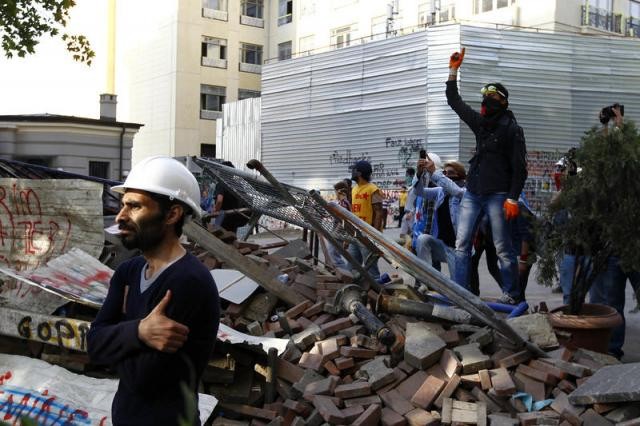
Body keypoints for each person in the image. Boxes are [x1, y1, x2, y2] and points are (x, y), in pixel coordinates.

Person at [87, 156, 220, 425]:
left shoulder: (189, 282)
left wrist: (116, 337)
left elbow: (141, 377)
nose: (120, 216)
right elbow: (93, 346)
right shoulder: (128, 272)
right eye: (123, 205)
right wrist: (139, 331)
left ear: (172, 215)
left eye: (134, 207)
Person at [446, 47, 528, 304]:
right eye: (485, 96)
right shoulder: (482, 124)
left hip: (498, 195)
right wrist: (453, 71)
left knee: (503, 247)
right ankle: (460, 293)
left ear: (503, 102)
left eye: (492, 97)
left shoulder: (512, 130)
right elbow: (455, 102)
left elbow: (520, 168)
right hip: (473, 191)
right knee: (462, 244)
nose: (486, 102)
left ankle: (513, 295)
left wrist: (512, 198)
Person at [413, 159, 465, 280]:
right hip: (443, 245)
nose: (446, 175)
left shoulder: (466, 191)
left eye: (450, 172)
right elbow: (418, 191)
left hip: (458, 249)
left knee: (458, 287)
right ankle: (427, 281)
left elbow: (455, 191)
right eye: (444, 172)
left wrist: (435, 172)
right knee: (423, 239)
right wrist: (419, 174)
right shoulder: (440, 191)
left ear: (460, 174)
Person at [347, 160, 383, 279]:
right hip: (356, 234)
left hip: (368, 235)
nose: (352, 173)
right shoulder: (354, 189)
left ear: (359, 173)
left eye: (354, 170)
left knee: (371, 268)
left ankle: (377, 292)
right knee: (351, 266)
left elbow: (379, 212)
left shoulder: (374, 189)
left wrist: (375, 234)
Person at [212, 161, 248, 234]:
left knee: (219, 238)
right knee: (231, 238)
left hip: (223, 217)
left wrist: (215, 211)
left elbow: (219, 200)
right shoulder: (238, 185)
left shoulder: (221, 183)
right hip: (235, 217)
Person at [325, 180, 352, 269]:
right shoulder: (343, 202)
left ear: (339, 191)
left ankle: (345, 274)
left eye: (335, 191)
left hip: (339, 231)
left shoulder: (343, 203)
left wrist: (336, 232)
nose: (335, 194)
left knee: (334, 255)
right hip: (338, 231)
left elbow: (344, 219)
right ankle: (344, 273)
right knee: (333, 253)